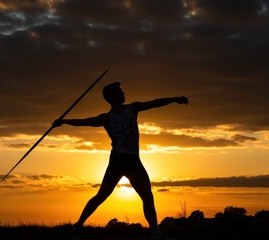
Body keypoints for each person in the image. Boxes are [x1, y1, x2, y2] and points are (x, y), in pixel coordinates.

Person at [53, 82, 189, 240]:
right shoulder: (107, 118)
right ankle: (77, 227)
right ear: (111, 97)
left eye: (122, 90)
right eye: (119, 92)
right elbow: (85, 121)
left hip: (133, 161)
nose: (123, 93)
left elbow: (154, 103)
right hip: (117, 162)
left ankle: (155, 233)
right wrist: (64, 122)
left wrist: (175, 99)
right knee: (101, 196)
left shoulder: (133, 108)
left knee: (147, 196)